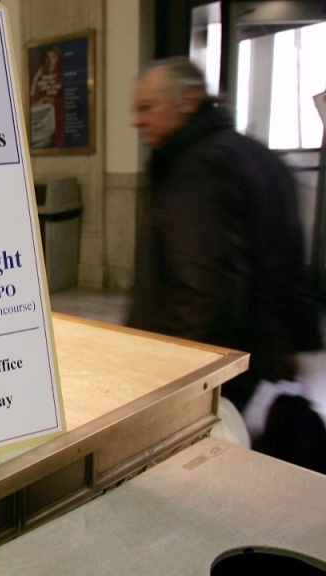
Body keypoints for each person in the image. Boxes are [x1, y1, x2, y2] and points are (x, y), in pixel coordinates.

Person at [127, 57, 322, 416]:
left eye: (147, 107)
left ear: (188, 100)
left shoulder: (197, 167)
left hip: (216, 369)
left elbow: (203, 289)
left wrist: (176, 381)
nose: (136, 120)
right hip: (263, 354)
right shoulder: (259, 155)